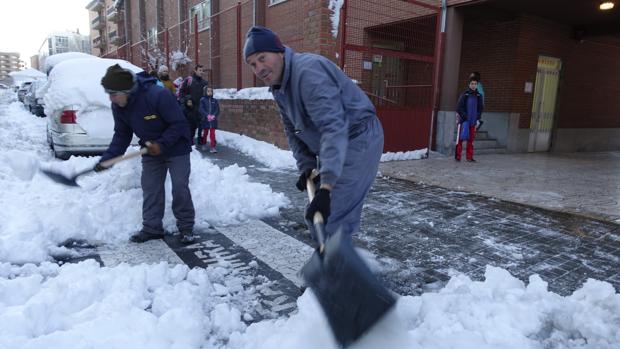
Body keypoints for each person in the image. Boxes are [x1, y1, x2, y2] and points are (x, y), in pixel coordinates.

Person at [244, 26, 384, 240]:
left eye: (263, 58)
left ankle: (337, 268)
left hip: (357, 138)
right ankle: (330, 262)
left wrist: (326, 187)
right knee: (316, 217)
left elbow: (332, 127)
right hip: (334, 145)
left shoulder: (309, 73)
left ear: (279, 51)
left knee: (331, 215)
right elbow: (292, 129)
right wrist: (307, 166)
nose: (259, 68)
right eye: (253, 64)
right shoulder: (279, 86)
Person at [96, 64, 196, 244]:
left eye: (113, 93)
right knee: (151, 188)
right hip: (150, 150)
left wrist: (161, 144)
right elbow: (122, 135)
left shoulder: (157, 95)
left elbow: (179, 124)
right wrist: (108, 159)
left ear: (126, 90)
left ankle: (186, 227)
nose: (111, 98)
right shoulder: (119, 106)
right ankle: (152, 228)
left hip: (177, 147)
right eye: (108, 94)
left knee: (180, 187)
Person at [455, 75, 484, 162]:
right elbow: (459, 107)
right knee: (460, 139)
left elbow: (480, 108)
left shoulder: (479, 96)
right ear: (469, 84)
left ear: (477, 85)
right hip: (464, 121)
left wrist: (477, 117)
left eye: (475, 84)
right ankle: (458, 156)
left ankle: (469, 157)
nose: (473, 85)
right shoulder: (465, 94)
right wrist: (465, 116)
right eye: (472, 84)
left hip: (473, 122)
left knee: (471, 140)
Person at [178, 64, 209, 145]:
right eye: (200, 70)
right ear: (195, 70)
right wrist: (184, 101)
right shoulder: (189, 80)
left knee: (201, 124)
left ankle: (199, 139)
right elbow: (181, 91)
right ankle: (190, 140)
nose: (201, 72)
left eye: (202, 70)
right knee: (192, 125)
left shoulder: (204, 83)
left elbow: (207, 94)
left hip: (201, 107)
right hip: (191, 107)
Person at [198, 86, 220, 153]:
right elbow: (201, 109)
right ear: (205, 92)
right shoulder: (202, 100)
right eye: (208, 91)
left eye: (211, 91)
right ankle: (203, 144)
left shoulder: (215, 100)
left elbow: (217, 109)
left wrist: (214, 115)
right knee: (205, 133)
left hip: (213, 121)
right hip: (205, 120)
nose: (210, 92)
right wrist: (207, 115)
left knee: (212, 134)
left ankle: (212, 147)